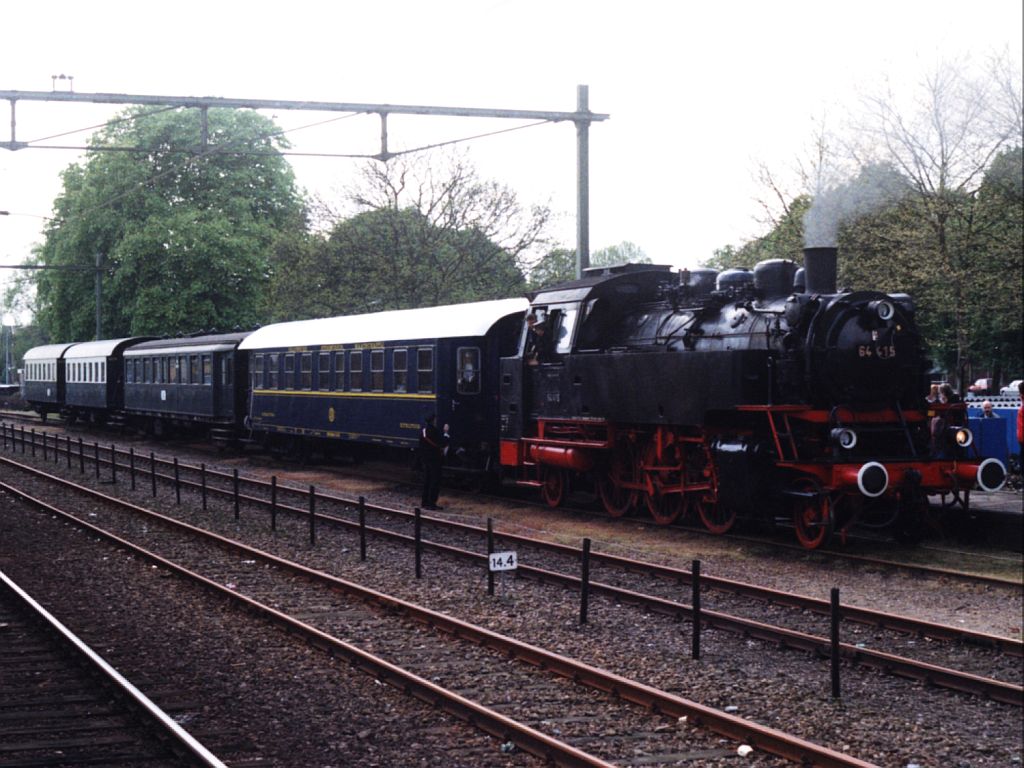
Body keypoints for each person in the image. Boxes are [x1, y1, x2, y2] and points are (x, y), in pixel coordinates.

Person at [419, 413, 448, 510]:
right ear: (433, 420)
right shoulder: (434, 431)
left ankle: (424, 502)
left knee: (427, 481)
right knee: (434, 481)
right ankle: (431, 503)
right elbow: (443, 443)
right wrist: (446, 433)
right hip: (435, 459)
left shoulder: (423, 431)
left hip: (425, 459)